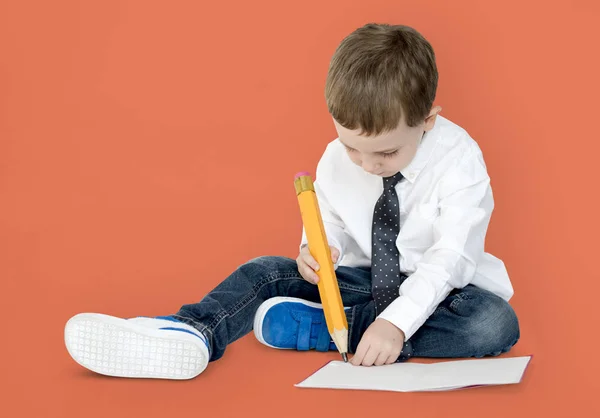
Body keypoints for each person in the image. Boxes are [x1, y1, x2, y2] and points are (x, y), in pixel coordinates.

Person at [64, 23, 519, 380]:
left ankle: (332, 329)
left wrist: (396, 325)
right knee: (263, 271)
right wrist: (316, 250)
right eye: (352, 147)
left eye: (386, 153)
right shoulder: (336, 158)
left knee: (493, 324)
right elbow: (328, 216)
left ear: (428, 120)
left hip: (442, 294)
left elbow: (450, 258)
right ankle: (193, 332)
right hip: (358, 284)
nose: (366, 164)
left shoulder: (460, 160)